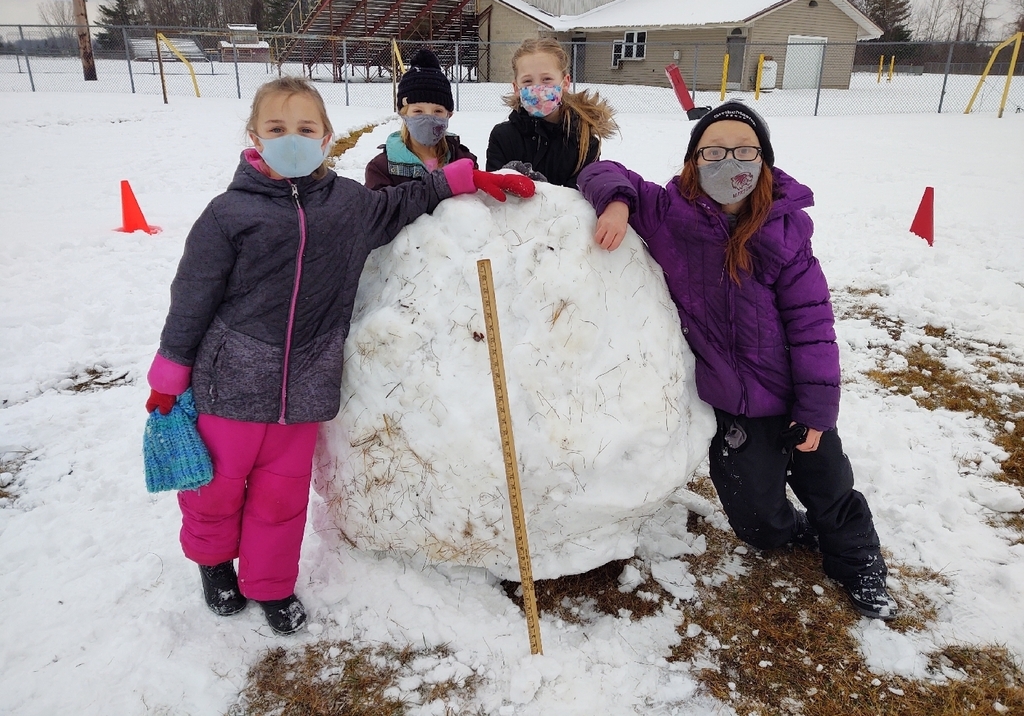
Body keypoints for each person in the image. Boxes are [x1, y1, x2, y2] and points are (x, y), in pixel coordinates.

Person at [145, 76, 534, 636]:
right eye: (277, 129)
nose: (292, 139)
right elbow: (191, 298)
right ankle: (213, 565)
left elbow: (405, 200)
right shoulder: (227, 215)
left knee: (280, 501)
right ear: (254, 135)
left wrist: (464, 176)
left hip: (307, 387)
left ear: (326, 136)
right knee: (215, 490)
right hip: (228, 385)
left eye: (305, 128)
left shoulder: (347, 206)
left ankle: (271, 585)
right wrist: (170, 373)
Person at [577, 101, 897, 620]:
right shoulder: (668, 214)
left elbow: (814, 325)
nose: (731, 163)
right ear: (693, 160)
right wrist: (616, 203)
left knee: (830, 488)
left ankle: (857, 558)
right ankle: (794, 527)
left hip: (794, 395)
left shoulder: (785, 230)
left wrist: (815, 411)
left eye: (745, 151)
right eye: (715, 152)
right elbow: (600, 169)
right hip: (735, 409)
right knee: (758, 526)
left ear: (764, 160)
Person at [486, 37, 618, 189]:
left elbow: (580, 202)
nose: (538, 89)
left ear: (565, 83)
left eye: (547, 79)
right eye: (528, 81)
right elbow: (495, 197)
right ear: (516, 88)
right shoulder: (502, 137)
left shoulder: (584, 142)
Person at [365, 48, 477, 190]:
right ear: (403, 115)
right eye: (418, 111)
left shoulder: (463, 159)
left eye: (438, 111)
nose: (428, 118)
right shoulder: (381, 168)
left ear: (449, 115)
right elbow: (380, 209)